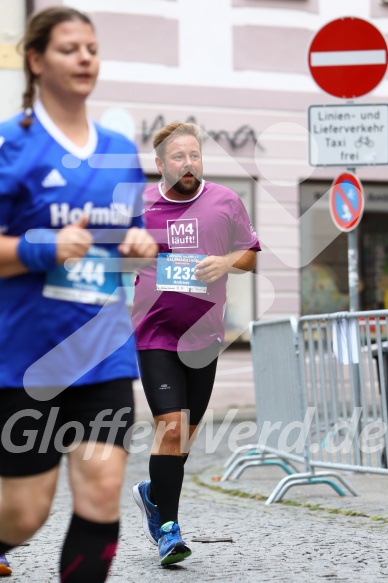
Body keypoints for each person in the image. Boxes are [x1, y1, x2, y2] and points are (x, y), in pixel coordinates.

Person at [0, 6, 156, 581]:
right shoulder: (9, 145)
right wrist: (43, 247)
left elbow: (118, 246)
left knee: (103, 487)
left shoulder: (119, 149)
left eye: (91, 47)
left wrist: (136, 247)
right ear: (37, 61)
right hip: (25, 359)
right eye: (70, 48)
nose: (85, 57)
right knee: (24, 512)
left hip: (102, 351)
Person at [131, 121, 261, 566]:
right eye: (178, 157)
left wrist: (224, 261)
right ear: (161, 163)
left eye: (194, 156)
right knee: (170, 427)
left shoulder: (225, 201)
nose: (188, 164)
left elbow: (251, 255)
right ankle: (169, 530)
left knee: (183, 439)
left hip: (205, 339)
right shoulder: (140, 205)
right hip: (155, 336)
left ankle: (152, 494)